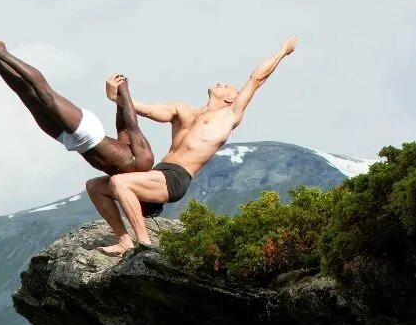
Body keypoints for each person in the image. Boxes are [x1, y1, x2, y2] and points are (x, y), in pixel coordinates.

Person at [96, 37, 298, 255]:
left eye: (228, 85)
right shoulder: (182, 110)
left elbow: (256, 78)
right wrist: (115, 97)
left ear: (231, 98)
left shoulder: (229, 116)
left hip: (176, 178)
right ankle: (124, 239)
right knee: (94, 186)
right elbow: (147, 110)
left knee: (119, 182)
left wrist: (282, 52)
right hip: (158, 173)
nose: (222, 82)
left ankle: (144, 243)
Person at [0, 38, 155, 176]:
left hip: (70, 141)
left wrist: (119, 99)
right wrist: (123, 90)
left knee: (27, 96)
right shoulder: (145, 163)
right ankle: (2, 52)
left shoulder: (121, 183)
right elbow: (130, 127)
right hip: (88, 133)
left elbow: (122, 131)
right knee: (45, 94)